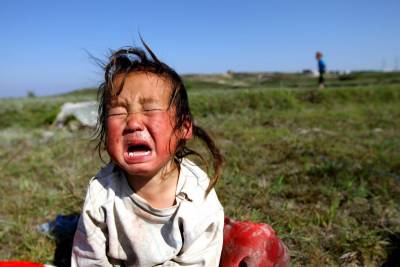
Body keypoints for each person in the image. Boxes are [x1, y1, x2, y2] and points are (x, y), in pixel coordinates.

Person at [71, 42, 224, 266]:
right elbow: (88, 261)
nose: (132, 122)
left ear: (184, 127)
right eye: (118, 111)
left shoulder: (199, 196)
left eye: (150, 108)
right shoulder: (101, 194)